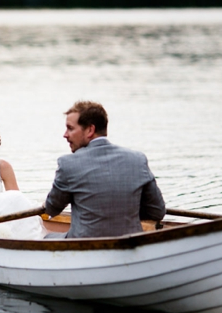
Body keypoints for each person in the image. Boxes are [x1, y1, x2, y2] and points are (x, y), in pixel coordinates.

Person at [45, 101, 165, 238]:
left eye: (70, 128)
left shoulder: (68, 164)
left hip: (84, 245)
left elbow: (52, 209)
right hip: (130, 243)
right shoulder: (138, 159)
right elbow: (157, 212)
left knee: (47, 237)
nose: (65, 135)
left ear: (90, 130)